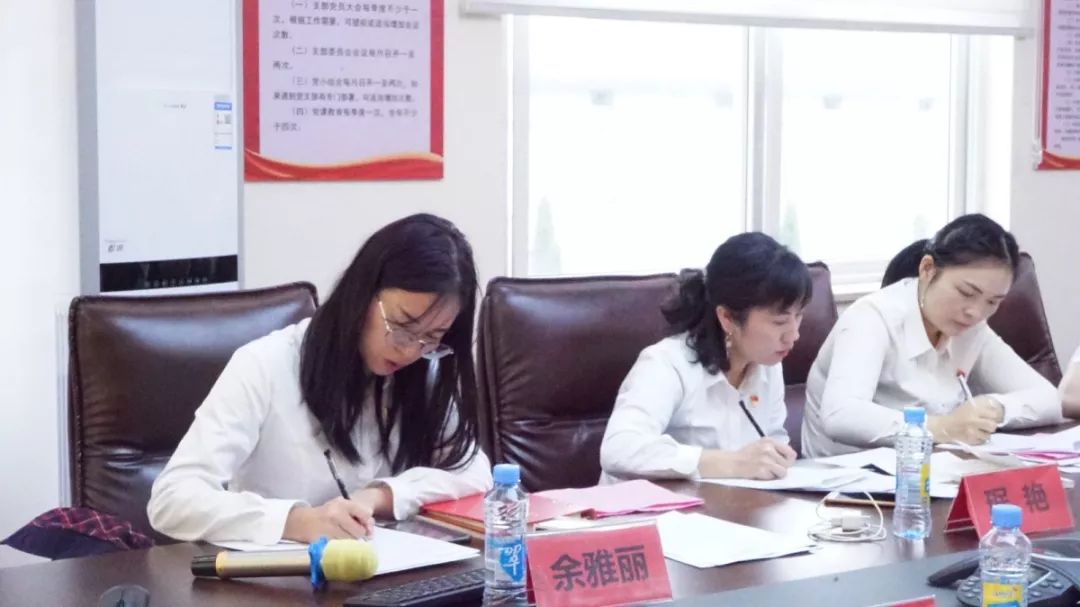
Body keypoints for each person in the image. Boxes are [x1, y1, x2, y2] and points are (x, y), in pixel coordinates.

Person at [147, 214, 492, 544]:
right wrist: (297, 521)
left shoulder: (423, 369)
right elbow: (172, 499)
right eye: (402, 326)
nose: (409, 350)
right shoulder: (265, 365)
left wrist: (380, 496)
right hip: (278, 576)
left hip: (387, 572)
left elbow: (474, 470)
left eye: (432, 337)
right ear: (362, 292)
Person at [802, 214, 1062, 458]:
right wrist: (942, 427)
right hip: (846, 480)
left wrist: (993, 408)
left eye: (993, 302)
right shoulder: (872, 317)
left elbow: (1049, 399)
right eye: (966, 293)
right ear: (927, 269)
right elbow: (841, 415)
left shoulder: (973, 329)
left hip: (929, 472)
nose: (976, 312)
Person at [599, 233, 810, 482]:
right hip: (651, 505)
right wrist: (730, 463)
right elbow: (619, 449)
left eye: (799, 316)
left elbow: (773, 440)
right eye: (780, 322)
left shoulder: (768, 363)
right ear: (727, 318)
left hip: (730, 503)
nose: (793, 335)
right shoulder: (666, 363)